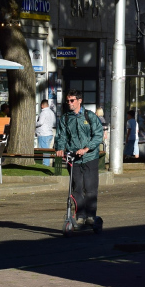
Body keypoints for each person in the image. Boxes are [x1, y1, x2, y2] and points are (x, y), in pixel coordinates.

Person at [55, 92, 104, 234]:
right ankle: (80, 216)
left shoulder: (89, 116)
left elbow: (98, 135)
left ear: (79, 100)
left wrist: (86, 148)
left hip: (90, 157)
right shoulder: (65, 118)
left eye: (72, 100)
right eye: (68, 101)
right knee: (76, 188)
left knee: (90, 188)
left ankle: (91, 216)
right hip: (73, 158)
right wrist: (60, 148)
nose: (69, 103)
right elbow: (61, 135)